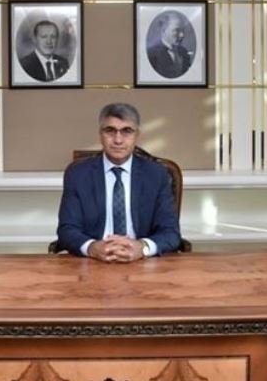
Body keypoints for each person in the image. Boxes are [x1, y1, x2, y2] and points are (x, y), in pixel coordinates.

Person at [56, 103, 182, 262]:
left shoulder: (157, 174)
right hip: (93, 262)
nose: (118, 140)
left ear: (137, 135)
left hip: (143, 262)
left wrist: (142, 248)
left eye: (127, 131)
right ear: (100, 134)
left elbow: (170, 232)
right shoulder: (78, 174)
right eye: (110, 131)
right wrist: (92, 247)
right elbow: (67, 230)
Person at [147, 13, 192, 78]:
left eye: (182, 30)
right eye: (177, 30)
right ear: (163, 31)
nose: (182, 35)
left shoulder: (184, 52)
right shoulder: (151, 54)